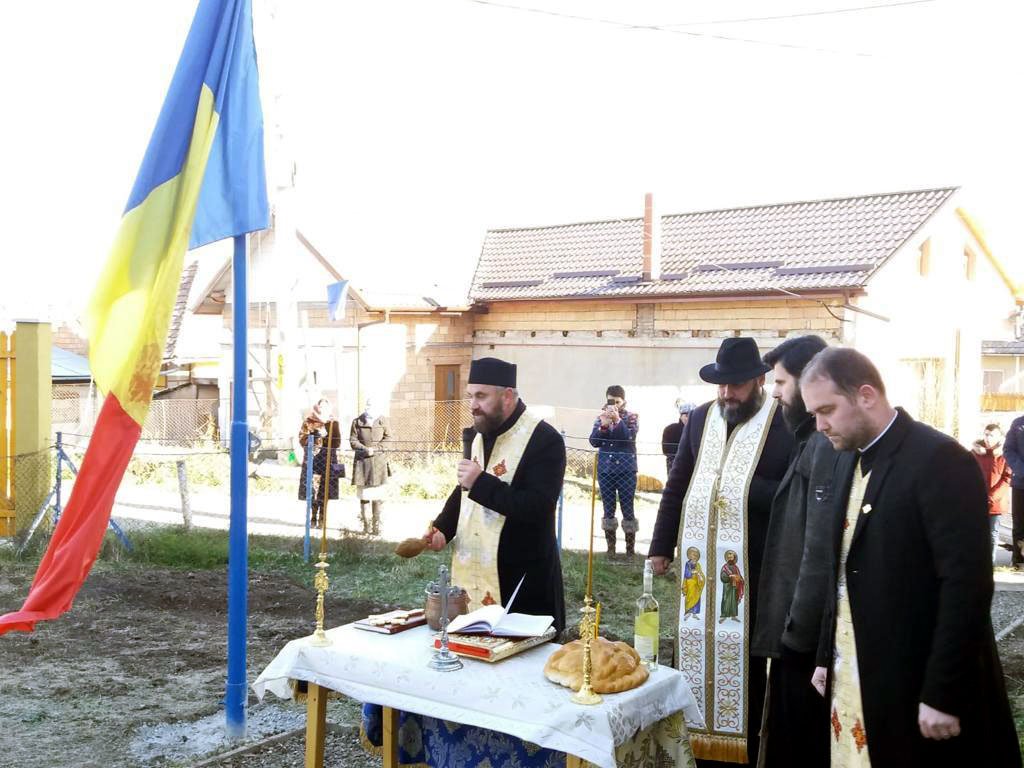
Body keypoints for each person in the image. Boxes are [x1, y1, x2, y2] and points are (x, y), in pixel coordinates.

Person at [801, 347, 1020, 767]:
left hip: (917, 683)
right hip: (857, 674)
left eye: (826, 409)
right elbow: (841, 565)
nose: (819, 424)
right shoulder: (847, 459)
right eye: (814, 413)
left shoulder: (940, 460)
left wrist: (943, 692)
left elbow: (967, 585)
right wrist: (826, 657)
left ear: (866, 395)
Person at [648, 336, 794, 766]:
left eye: (737, 385)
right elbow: (678, 484)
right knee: (692, 643)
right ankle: (694, 749)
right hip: (699, 565)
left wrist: (743, 489)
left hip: (755, 565)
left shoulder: (783, 422)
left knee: (745, 655)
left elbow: (791, 494)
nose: (728, 393)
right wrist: (660, 546)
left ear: (759, 381)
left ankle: (744, 750)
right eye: (722, 385)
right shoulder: (700, 419)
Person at [425, 356, 566, 632]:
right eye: (470, 396)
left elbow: (539, 506)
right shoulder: (481, 433)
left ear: (508, 396)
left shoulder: (544, 439)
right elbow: (465, 488)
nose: (473, 405)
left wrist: (480, 483)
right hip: (474, 577)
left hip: (522, 583)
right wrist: (443, 527)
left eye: (481, 396)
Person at [751, 334, 836, 768]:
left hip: (802, 639)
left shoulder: (823, 445)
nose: (777, 394)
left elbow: (817, 549)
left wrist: (796, 634)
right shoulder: (810, 440)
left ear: (810, 381)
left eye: (782, 383)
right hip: (794, 631)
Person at [589, 385, 640, 558]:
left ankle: (630, 551)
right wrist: (603, 426)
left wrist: (617, 420)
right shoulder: (601, 416)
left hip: (626, 469)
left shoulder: (632, 417)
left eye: (617, 401)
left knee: (628, 509)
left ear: (623, 401)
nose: (614, 405)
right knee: (608, 509)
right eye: (611, 401)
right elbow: (594, 442)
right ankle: (611, 550)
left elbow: (629, 438)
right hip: (606, 469)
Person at [297, 398, 342, 529]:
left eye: (326, 406)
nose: (323, 409)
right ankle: (313, 517)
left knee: (325, 491)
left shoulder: (333, 423)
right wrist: (316, 436)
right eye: (321, 406)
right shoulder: (309, 422)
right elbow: (302, 439)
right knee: (313, 489)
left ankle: (323, 518)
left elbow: (337, 443)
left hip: (328, 460)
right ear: (317, 407)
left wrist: (326, 435)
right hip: (314, 460)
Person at [350, 398, 391, 535]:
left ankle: (376, 527)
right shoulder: (357, 422)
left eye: (372, 405)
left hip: (379, 461)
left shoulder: (382, 420)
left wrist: (377, 449)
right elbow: (353, 441)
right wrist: (365, 449)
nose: (370, 407)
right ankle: (366, 527)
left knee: (377, 496)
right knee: (365, 496)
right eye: (368, 405)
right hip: (363, 462)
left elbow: (388, 438)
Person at [973, 423, 1012, 562]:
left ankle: (990, 564)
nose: (988, 438)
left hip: (995, 503)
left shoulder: (1005, 454)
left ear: (999, 437)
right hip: (975, 501)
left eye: (991, 435)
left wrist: (990, 498)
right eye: (986, 434)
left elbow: (1007, 479)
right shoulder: (975, 453)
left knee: (992, 534)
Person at [1001, 413, 1024, 567]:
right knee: (1020, 524)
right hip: (1021, 484)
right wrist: (1021, 470)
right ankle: (1019, 562)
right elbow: (1008, 449)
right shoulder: (1018, 424)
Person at [663, 400, 696, 474]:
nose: (689, 418)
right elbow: (666, 449)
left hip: (693, 465)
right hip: (675, 464)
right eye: (686, 415)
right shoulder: (670, 429)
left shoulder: (698, 430)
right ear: (681, 416)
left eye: (692, 415)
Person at [682, 546, 706, 621]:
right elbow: (686, 573)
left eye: (695, 555)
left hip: (697, 583)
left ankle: (694, 613)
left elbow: (700, 572)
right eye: (692, 555)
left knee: (697, 597)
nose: (694, 556)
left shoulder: (698, 564)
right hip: (690, 582)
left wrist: (700, 576)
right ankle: (688, 612)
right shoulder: (687, 564)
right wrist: (693, 572)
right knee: (690, 596)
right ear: (689, 555)